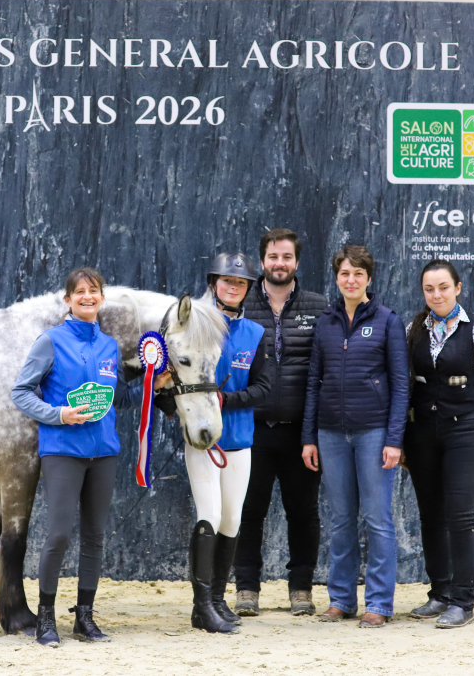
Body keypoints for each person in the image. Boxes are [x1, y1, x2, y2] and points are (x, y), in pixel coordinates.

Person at [11, 267, 169, 647]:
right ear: (68, 300)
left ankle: (84, 618)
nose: (87, 297)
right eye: (79, 292)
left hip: (104, 453)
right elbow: (21, 392)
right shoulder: (50, 341)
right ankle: (46, 619)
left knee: (94, 537)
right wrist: (58, 414)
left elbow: (118, 398)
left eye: (93, 291)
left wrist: (153, 386)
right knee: (59, 535)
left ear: (102, 298)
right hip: (63, 451)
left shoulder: (110, 347)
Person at [161, 252, 271, 634]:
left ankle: (219, 599)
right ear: (214, 284)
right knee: (208, 513)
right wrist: (168, 399)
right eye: (227, 281)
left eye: (240, 283)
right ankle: (202, 606)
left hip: (239, 438)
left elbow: (264, 387)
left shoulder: (254, 334)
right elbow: (172, 381)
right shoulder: (192, 326)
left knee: (232, 519)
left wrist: (225, 400)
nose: (233, 287)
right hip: (203, 441)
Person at [301, 245, 409, 628]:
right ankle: (341, 600)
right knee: (341, 520)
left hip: (374, 433)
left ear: (368, 278)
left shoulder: (387, 321)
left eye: (358, 274)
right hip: (330, 433)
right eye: (345, 273)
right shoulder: (326, 322)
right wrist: (309, 436)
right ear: (337, 278)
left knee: (378, 519)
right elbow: (313, 382)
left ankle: (378, 603)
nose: (351, 280)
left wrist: (394, 439)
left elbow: (401, 385)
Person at [402, 259, 474, 628]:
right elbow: (405, 387)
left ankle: (463, 601)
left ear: (458, 288)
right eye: (429, 289)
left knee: (460, 516)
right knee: (430, 515)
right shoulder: (412, 330)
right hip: (421, 434)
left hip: (465, 432)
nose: (437, 295)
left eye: (444, 287)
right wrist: (400, 439)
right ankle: (440, 593)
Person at [233, 229, 328, 617]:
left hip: (300, 433)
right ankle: (246, 588)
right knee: (248, 512)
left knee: (303, 513)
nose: (280, 263)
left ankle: (301, 588)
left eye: (287, 257)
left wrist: (313, 433)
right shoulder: (241, 304)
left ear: (297, 263)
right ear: (262, 262)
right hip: (249, 429)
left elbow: (323, 370)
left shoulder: (318, 307)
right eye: (273, 256)